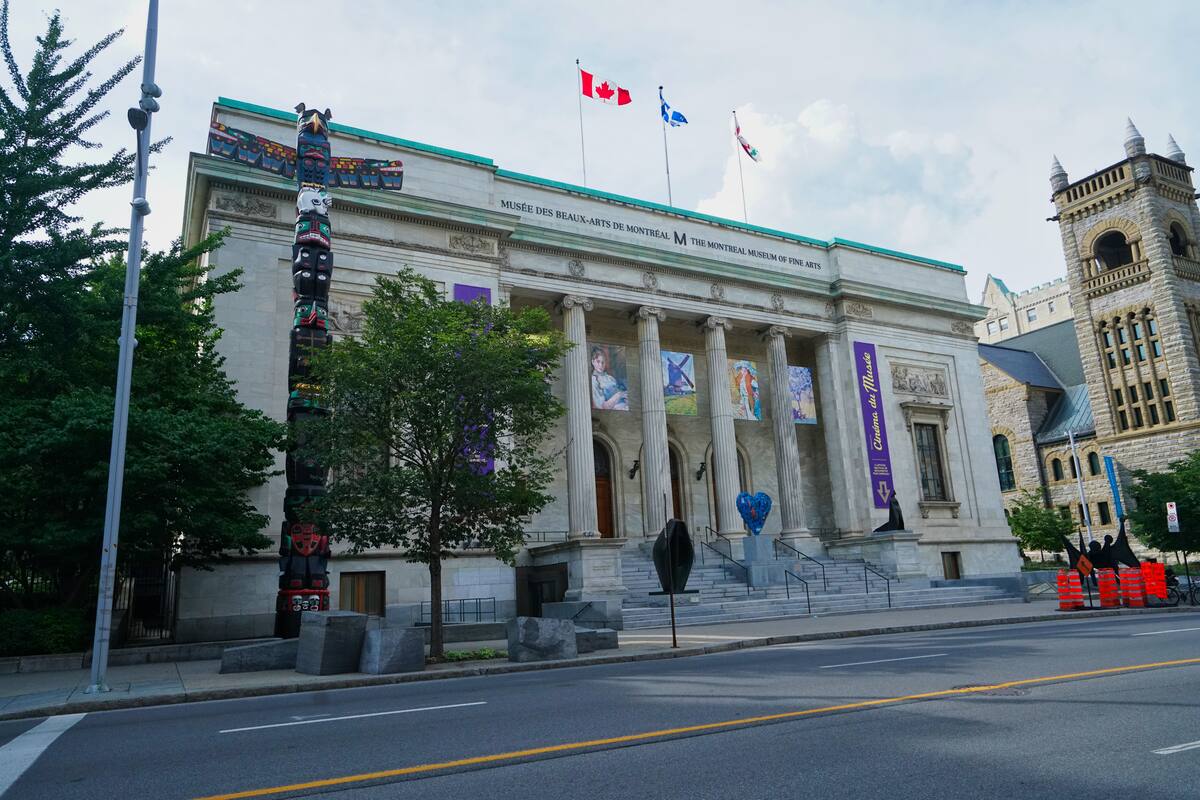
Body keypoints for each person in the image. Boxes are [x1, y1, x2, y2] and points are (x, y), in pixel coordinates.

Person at [590, 346, 628, 410]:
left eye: (603, 362)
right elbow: (602, 406)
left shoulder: (610, 378)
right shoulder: (594, 380)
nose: (601, 365)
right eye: (598, 361)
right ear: (593, 362)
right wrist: (619, 394)